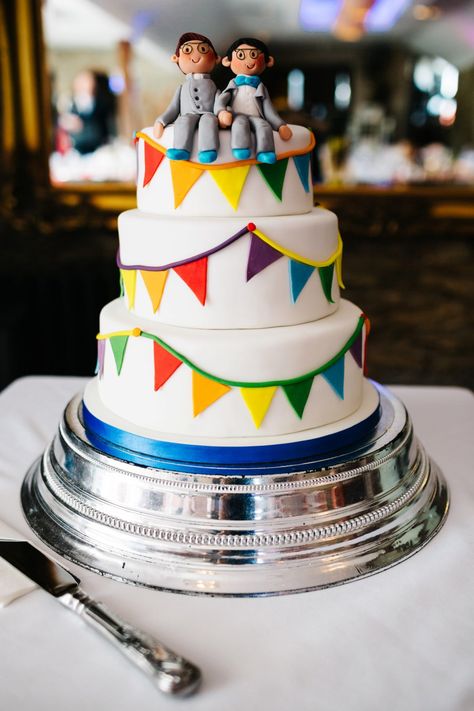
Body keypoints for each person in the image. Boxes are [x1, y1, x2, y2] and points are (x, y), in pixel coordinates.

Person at [215, 37, 292, 164]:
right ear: (227, 61)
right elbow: (221, 100)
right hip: (236, 116)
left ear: (268, 61)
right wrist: (221, 112)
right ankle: (240, 148)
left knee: (264, 126)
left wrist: (280, 125)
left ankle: (265, 152)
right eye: (241, 55)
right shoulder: (233, 84)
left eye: (253, 54)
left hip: (257, 117)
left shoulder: (261, 88)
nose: (249, 60)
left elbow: (269, 109)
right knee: (240, 124)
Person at [153, 32, 220, 163]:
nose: (196, 55)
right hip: (188, 114)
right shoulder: (181, 88)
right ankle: (181, 150)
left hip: (209, 113)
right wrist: (161, 121)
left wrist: (221, 113)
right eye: (188, 50)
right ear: (175, 58)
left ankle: (208, 150)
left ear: (216, 58)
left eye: (203, 49)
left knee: (208, 121)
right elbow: (173, 108)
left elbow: (218, 101)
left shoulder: (213, 86)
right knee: (183, 121)